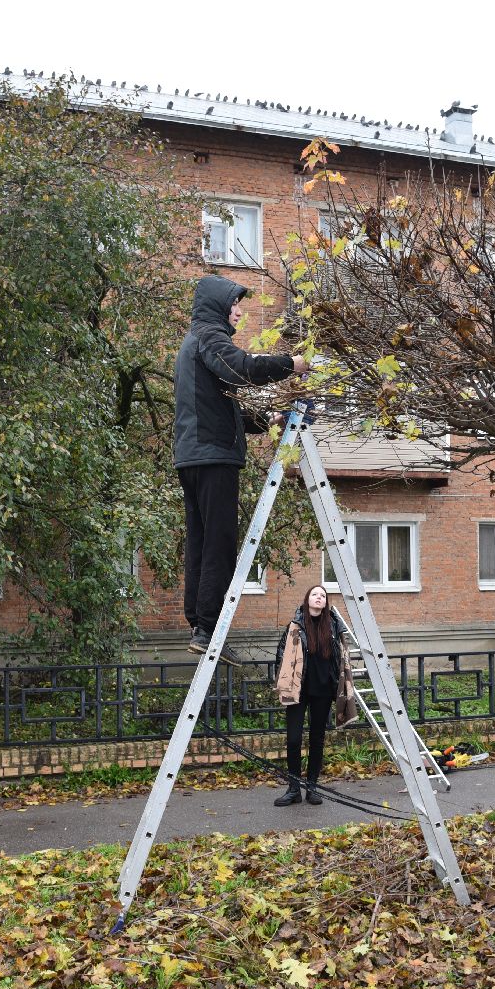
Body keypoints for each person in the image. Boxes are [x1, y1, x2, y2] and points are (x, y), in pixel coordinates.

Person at [174, 274, 309, 666]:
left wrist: (266, 419)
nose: (238, 310)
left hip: (195, 455)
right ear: (219, 305)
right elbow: (241, 368)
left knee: (201, 542)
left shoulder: (195, 342)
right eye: (235, 303)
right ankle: (209, 628)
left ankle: (200, 626)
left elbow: (225, 406)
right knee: (218, 543)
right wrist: (292, 364)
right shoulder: (210, 338)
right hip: (212, 457)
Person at [272, 584, 356, 806]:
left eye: (323, 595)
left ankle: (312, 788)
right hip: (298, 689)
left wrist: (339, 685)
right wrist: (282, 682)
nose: (319, 598)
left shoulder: (334, 625)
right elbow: (281, 654)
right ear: (307, 598)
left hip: (323, 690)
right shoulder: (296, 624)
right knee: (293, 739)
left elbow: (342, 657)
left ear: (326, 602)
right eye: (315, 594)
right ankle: (293, 789)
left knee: (317, 739)